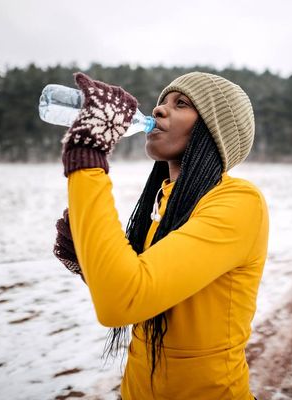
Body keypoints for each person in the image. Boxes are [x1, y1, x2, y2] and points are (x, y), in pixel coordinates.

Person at [53, 71, 269, 399]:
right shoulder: (164, 201)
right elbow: (140, 289)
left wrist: (88, 155)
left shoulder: (238, 202)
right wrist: (92, 265)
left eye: (181, 104)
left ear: (215, 129)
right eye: (161, 102)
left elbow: (123, 300)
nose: (157, 110)